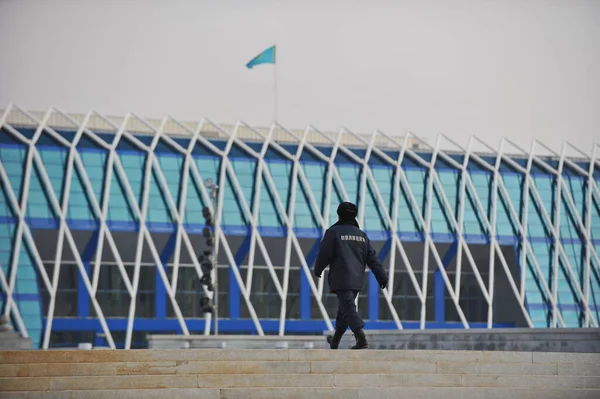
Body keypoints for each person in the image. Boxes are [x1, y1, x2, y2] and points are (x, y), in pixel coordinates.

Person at [313, 201, 388, 350]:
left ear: (339, 215)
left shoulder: (333, 232)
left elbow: (324, 254)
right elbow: (372, 259)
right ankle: (335, 341)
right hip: (356, 279)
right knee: (344, 311)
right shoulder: (362, 235)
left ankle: (361, 338)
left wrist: (318, 269)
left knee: (348, 308)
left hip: (341, 278)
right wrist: (382, 276)